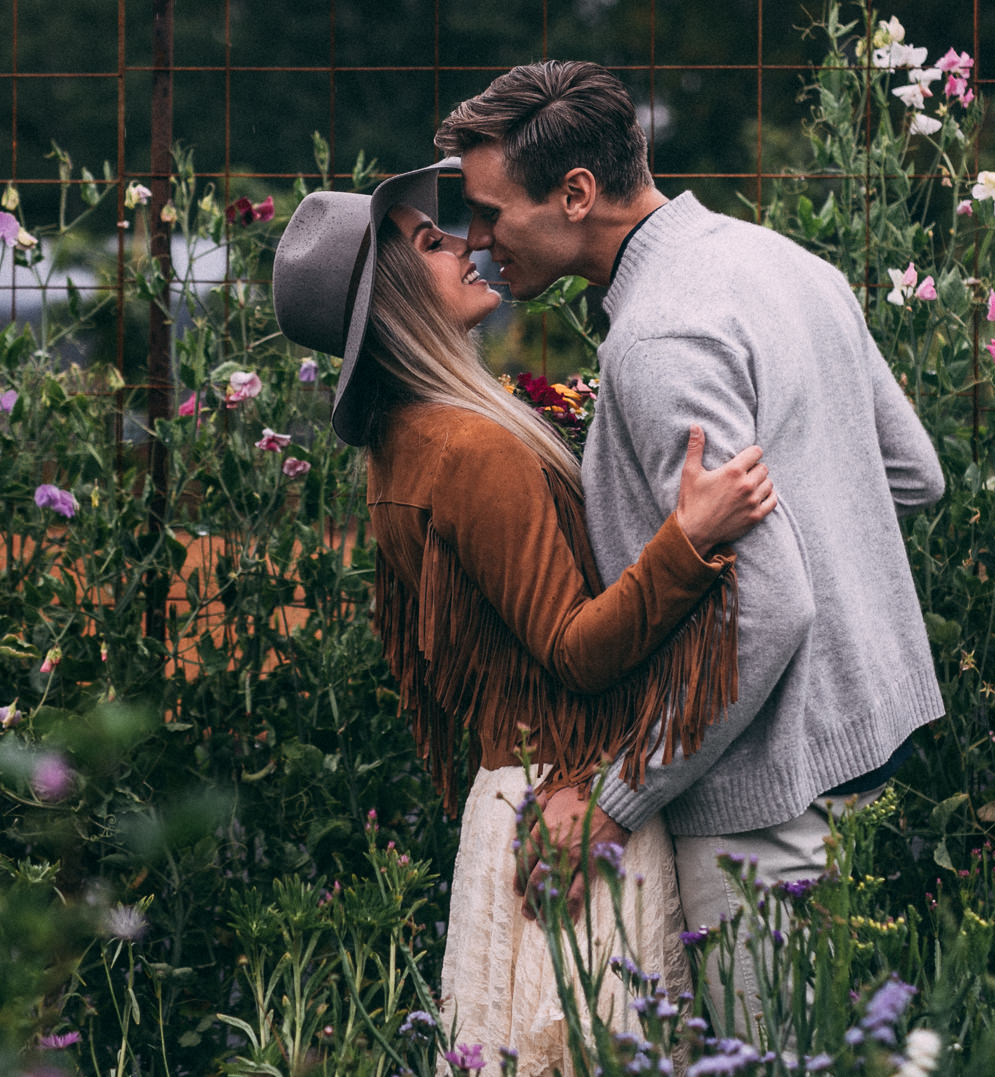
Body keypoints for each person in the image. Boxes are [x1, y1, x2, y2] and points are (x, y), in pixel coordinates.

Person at [434, 60, 947, 1041]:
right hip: (859, 761)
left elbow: (768, 604)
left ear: (575, 195)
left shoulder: (659, 334)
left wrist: (615, 802)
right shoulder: (784, 261)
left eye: (491, 211)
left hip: (758, 798)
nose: (477, 240)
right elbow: (911, 472)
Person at [271, 162, 779, 1074]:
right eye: (431, 243)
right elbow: (577, 651)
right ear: (391, 301)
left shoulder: (404, 448)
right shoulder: (469, 447)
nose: (468, 240)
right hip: (569, 802)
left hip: (510, 794)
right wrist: (688, 538)